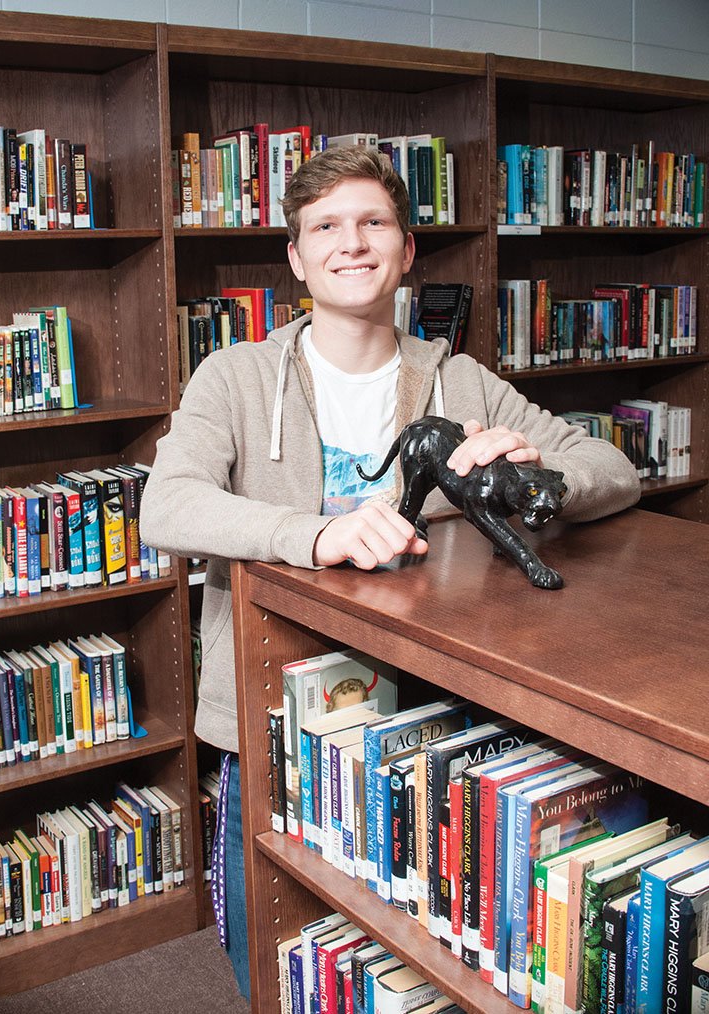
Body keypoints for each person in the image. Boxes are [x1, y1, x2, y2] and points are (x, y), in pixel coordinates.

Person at [139, 146, 640, 997]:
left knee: (418, 950)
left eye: (374, 222)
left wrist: (536, 471)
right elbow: (168, 507)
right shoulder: (235, 374)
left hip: (430, 710)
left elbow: (612, 468)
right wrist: (316, 533)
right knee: (266, 943)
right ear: (297, 258)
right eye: (325, 227)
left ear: (407, 250)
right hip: (275, 713)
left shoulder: (460, 379)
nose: (353, 243)